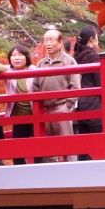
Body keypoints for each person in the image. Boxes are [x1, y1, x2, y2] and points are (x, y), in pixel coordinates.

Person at [31, 28, 80, 161]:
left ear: (60, 43)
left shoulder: (68, 61)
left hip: (61, 106)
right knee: (47, 146)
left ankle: (72, 173)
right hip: (44, 109)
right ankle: (49, 174)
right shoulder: (41, 63)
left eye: (51, 40)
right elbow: (34, 87)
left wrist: (68, 105)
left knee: (67, 145)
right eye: (46, 40)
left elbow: (75, 85)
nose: (48, 43)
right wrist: (36, 106)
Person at [4, 44, 35, 164]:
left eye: (20, 55)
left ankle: (41, 167)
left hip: (35, 113)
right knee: (17, 146)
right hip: (19, 116)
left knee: (39, 144)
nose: (17, 58)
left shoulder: (34, 70)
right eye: (13, 55)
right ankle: (19, 169)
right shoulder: (7, 71)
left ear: (26, 57)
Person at [72, 25, 102, 143]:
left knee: (84, 141)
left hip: (80, 103)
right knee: (98, 140)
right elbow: (100, 81)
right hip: (94, 103)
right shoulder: (93, 57)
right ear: (91, 39)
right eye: (97, 38)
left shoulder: (76, 58)